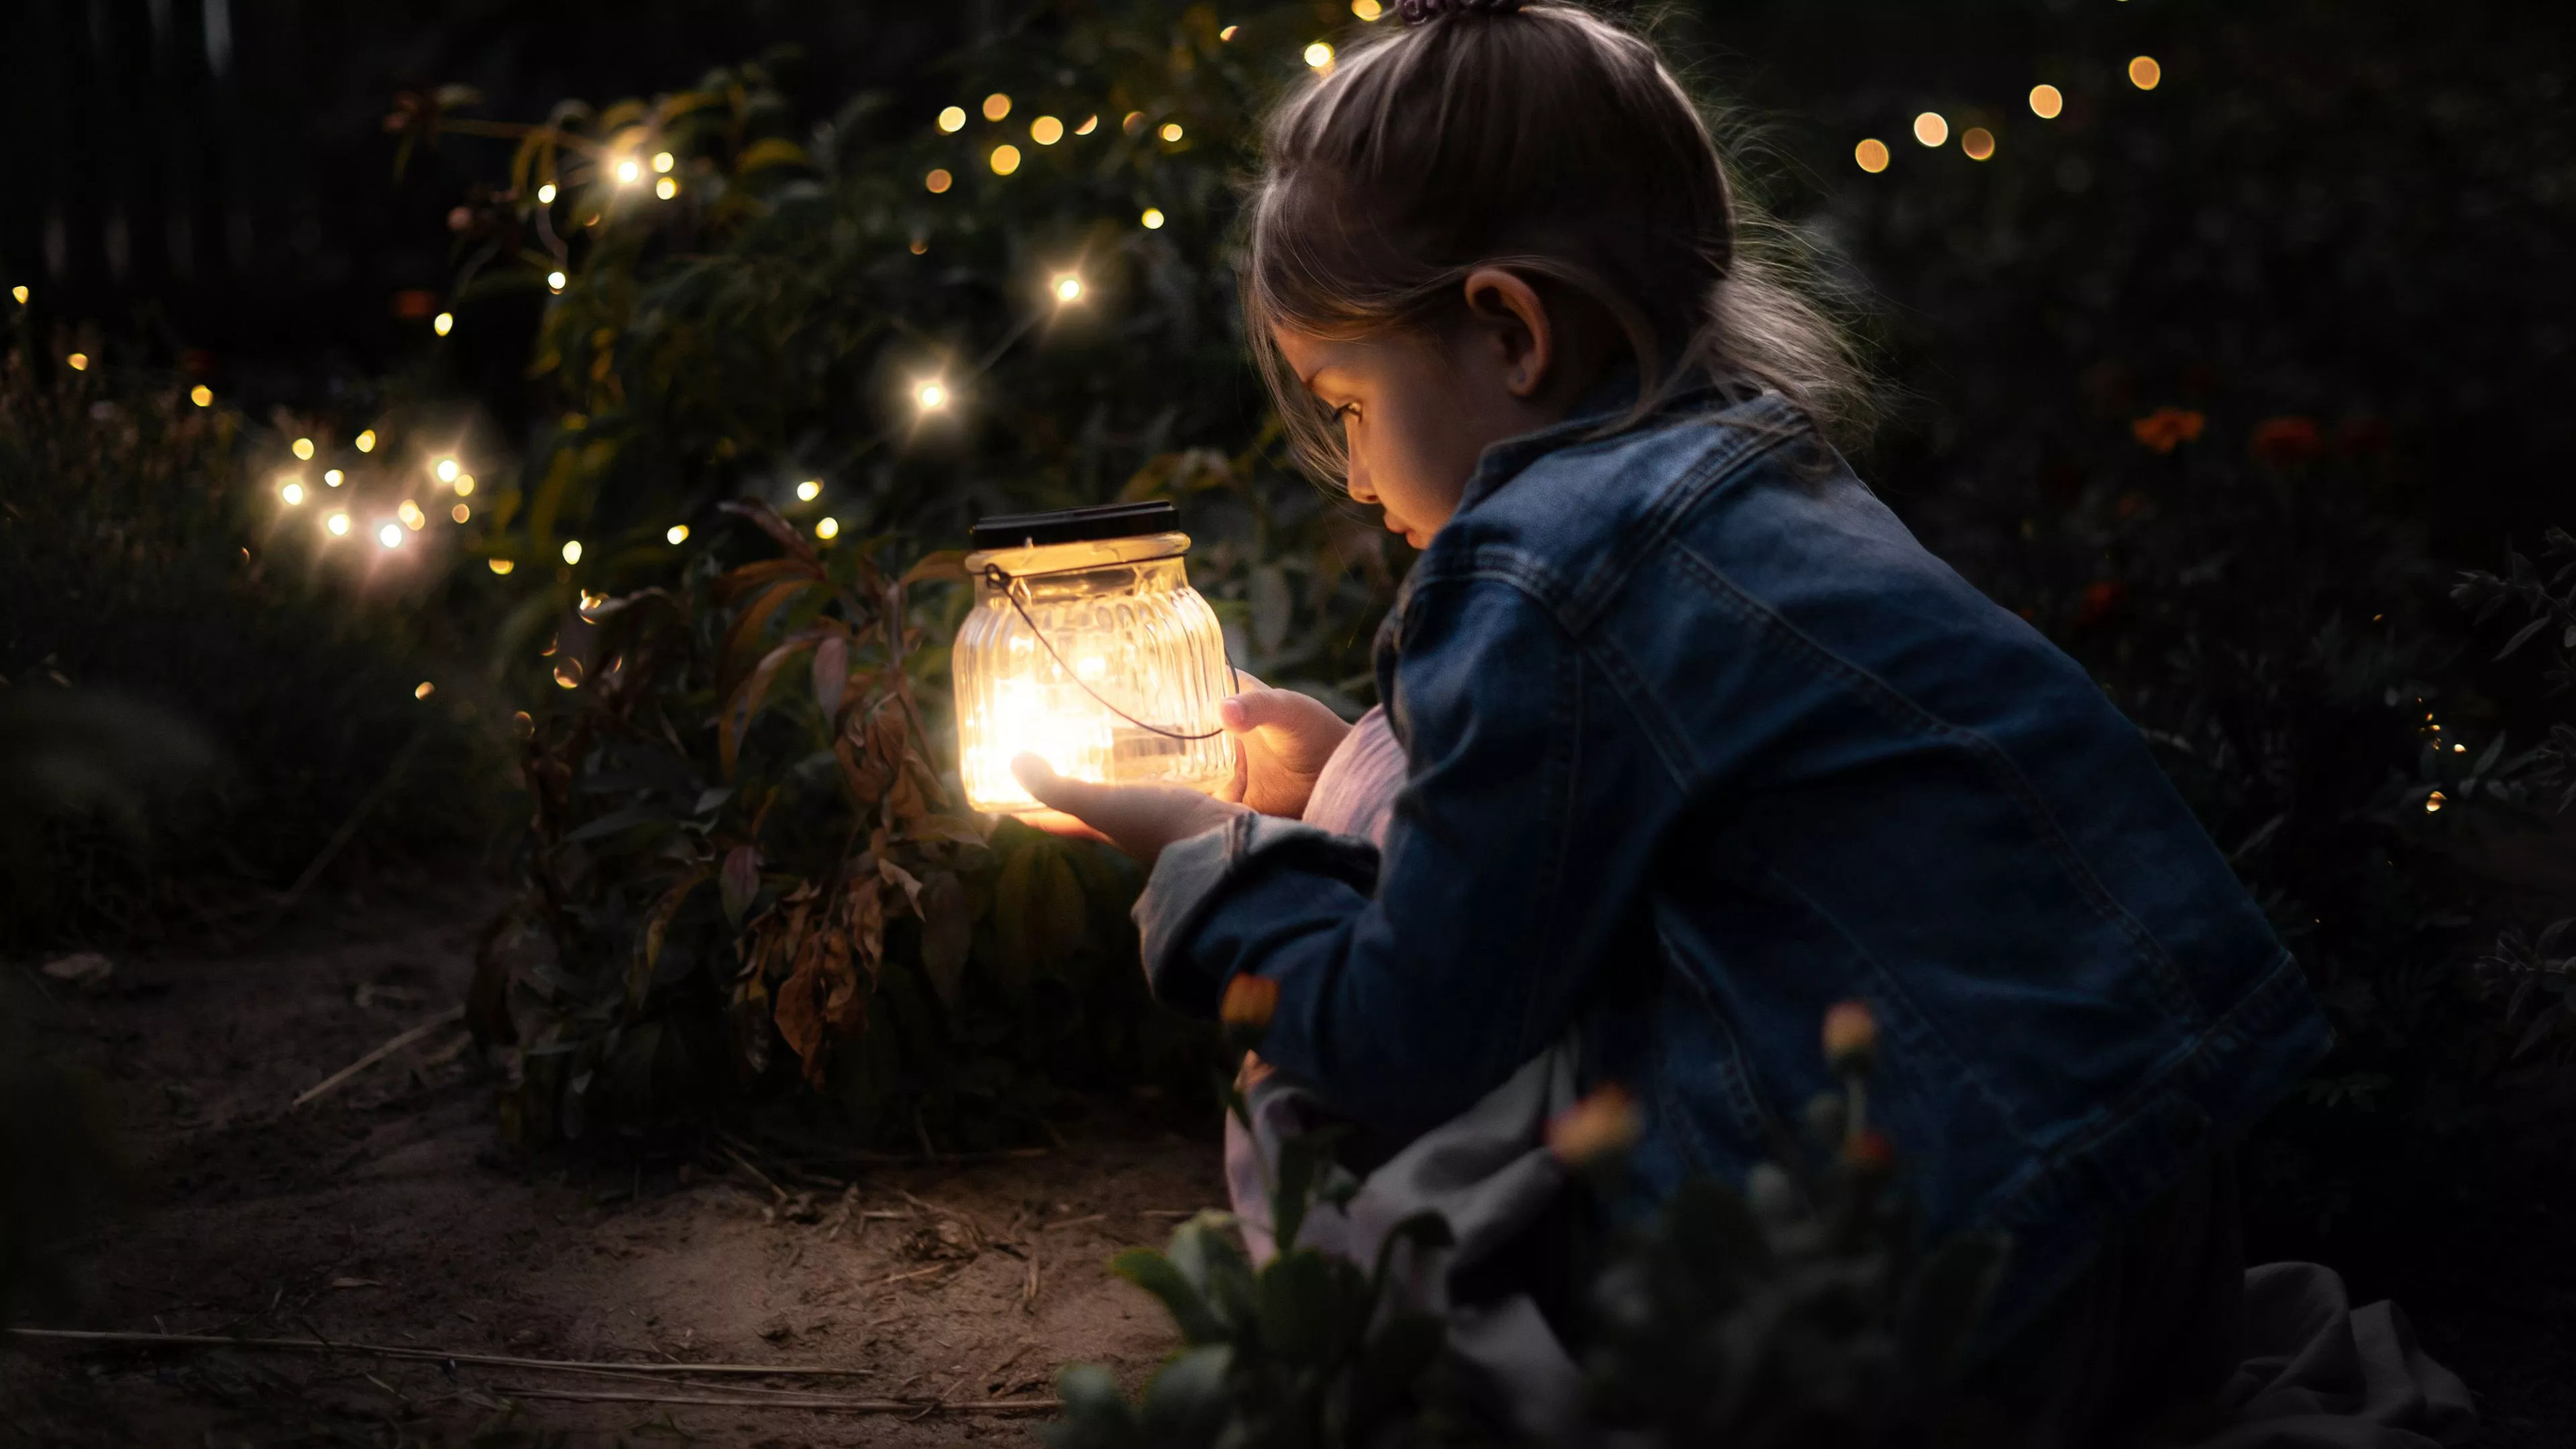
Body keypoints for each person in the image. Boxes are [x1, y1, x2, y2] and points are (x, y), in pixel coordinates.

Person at [1010, 1, 2447, 1440]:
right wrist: (1346, 769)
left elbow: (1409, 1031)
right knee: (1382, 769)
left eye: (1349, 401)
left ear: (1509, 328)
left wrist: (1213, 863)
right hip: (2146, 1257)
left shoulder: (1539, 566)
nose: (1351, 474)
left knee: (1310, 1093)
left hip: (1931, 1304)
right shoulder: (1766, 479)